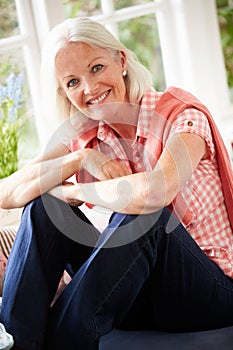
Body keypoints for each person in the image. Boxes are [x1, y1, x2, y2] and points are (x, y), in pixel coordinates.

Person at [0, 16, 232, 350]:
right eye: (72, 82)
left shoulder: (180, 113)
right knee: (45, 207)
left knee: (145, 217)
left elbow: (156, 191)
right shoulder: (85, 135)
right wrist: (81, 160)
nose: (89, 89)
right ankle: (15, 344)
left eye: (96, 68)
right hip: (140, 294)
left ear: (121, 61)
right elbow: (8, 194)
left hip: (209, 291)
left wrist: (76, 190)